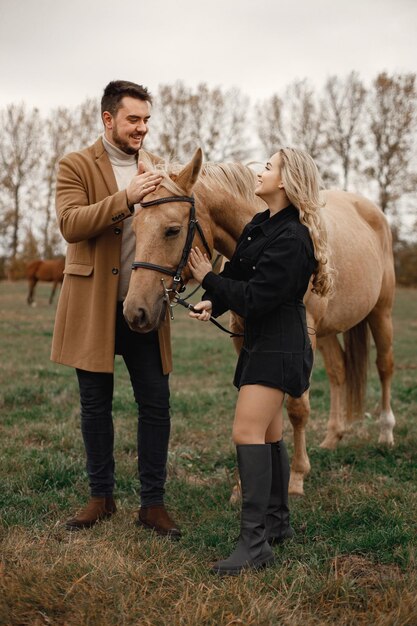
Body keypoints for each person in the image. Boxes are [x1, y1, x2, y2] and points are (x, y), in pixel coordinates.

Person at [188, 147, 333, 574]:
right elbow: (239, 276)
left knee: (246, 431)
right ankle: (276, 524)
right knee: (269, 433)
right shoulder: (261, 223)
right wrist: (211, 299)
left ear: (286, 182)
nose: (260, 171)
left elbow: (258, 297)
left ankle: (254, 546)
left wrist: (205, 277)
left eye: (268, 167)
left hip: (280, 344)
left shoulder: (293, 237)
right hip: (262, 342)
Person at [51, 80, 181, 539]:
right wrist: (126, 198)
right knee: (94, 406)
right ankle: (100, 496)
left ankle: (153, 504)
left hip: (145, 304)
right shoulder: (75, 165)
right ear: (108, 119)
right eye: (133, 119)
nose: (142, 128)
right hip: (93, 305)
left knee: (156, 404)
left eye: (146, 120)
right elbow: (71, 224)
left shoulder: (160, 169)